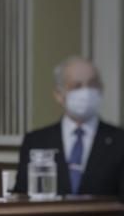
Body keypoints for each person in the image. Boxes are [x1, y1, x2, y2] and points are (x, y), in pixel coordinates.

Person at [13, 56, 124, 198]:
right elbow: (22, 196)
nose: (86, 92)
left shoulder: (119, 141)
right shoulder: (36, 141)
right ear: (59, 95)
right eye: (77, 86)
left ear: (101, 89)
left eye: (92, 84)